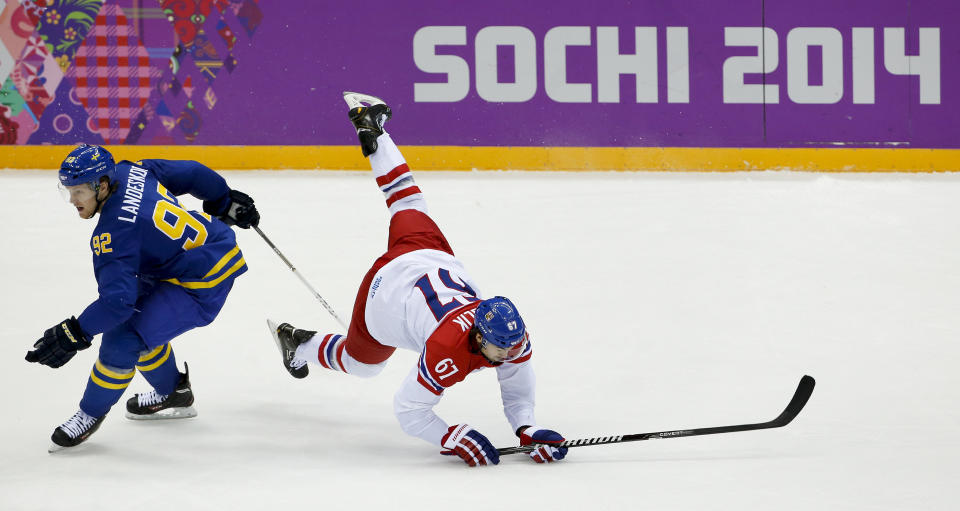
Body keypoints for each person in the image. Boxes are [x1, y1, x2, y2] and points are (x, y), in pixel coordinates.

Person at [267, 92, 568, 467]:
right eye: (500, 349)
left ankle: (372, 127)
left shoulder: (509, 335)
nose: (508, 355)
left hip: (427, 255)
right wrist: (449, 437)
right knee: (364, 365)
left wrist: (528, 429)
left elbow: (517, 388)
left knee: (407, 202)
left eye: (510, 346)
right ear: (477, 335)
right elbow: (409, 410)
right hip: (385, 297)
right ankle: (300, 343)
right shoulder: (447, 351)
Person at [26, 144, 260, 452]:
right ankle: (173, 392)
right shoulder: (130, 170)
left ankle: (90, 413)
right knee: (140, 326)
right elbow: (192, 173)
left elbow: (117, 303)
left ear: (103, 185)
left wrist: (75, 332)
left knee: (123, 338)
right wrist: (222, 199)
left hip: (200, 281)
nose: (73, 199)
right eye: (68, 190)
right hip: (206, 247)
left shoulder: (113, 235)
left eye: (80, 191)